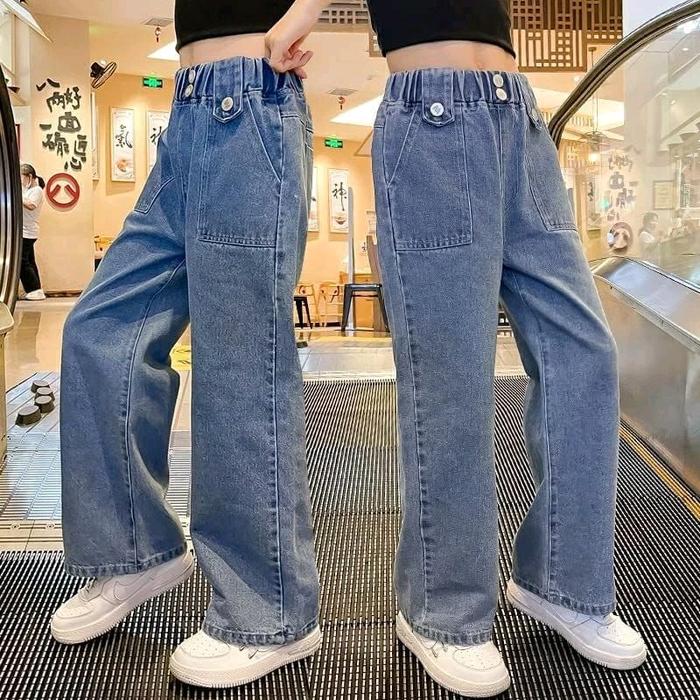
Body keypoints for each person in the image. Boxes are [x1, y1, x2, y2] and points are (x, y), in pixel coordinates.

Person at [268, 0, 647, 696]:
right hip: (432, 120)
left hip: (518, 116)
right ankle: (443, 612)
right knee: (450, 376)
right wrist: (304, 11)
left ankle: (562, 582)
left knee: (584, 352)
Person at [50, 0, 321, 689]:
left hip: (250, 106)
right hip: (190, 113)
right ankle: (134, 552)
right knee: (98, 332)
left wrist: (302, 15)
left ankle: (272, 613)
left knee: (239, 365)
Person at [20, 164, 46, 301]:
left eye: (22, 178)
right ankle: (36, 290)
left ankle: (33, 289)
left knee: (21, 262)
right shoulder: (27, 190)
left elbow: (31, 205)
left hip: (28, 232)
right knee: (30, 261)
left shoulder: (37, 190)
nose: (21, 182)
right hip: (24, 231)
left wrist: (16, 194)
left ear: (30, 176)